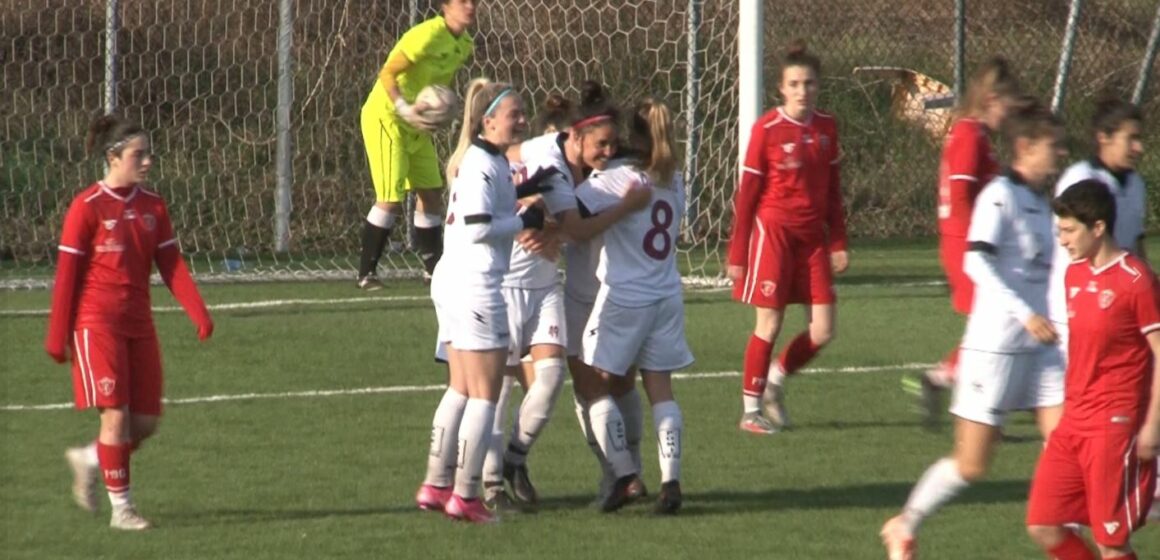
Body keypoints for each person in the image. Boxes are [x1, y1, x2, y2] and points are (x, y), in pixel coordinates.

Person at [880, 99, 1068, 559]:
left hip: (1044, 353)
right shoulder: (998, 196)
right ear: (1024, 147)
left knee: (1069, 446)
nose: (1060, 156)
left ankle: (1065, 530)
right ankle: (903, 524)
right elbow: (976, 261)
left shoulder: (1042, 203)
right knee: (972, 465)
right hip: (995, 350)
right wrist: (1024, 313)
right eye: (1053, 147)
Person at [49, 114, 214, 530]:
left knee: (145, 422)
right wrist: (58, 335)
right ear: (113, 157)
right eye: (138, 155)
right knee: (116, 417)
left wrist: (198, 312)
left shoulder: (152, 206)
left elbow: (171, 264)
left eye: (148, 154)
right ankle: (123, 510)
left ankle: (89, 458)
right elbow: (68, 275)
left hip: (139, 323)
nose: (147, 162)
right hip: (95, 322)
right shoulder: (86, 207)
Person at [415, 79, 552, 524]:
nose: (523, 119)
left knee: (459, 388)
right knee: (484, 396)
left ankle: (436, 484)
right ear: (487, 120)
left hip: (455, 281)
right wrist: (523, 220)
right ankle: (467, 495)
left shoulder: (487, 161)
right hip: (474, 285)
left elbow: (485, 211)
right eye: (515, 113)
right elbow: (477, 226)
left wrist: (523, 198)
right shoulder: (481, 165)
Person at [1025, 180, 1160, 560]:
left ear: (1098, 228)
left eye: (1069, 231)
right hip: (1074, 420)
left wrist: (1152, 424)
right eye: (1059, 231)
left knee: (1111, 542)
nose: (1063, 240)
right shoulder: (1075, 274)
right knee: (1043, 522)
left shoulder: (1137, 282)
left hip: (1114, 424)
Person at [576, 97, 692, 514]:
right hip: (666, 295)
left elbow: (570, 211)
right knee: (661, 389)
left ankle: (624, 473)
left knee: (589, 382)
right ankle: (671, 482)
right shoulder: (674, 176)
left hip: (625, 297)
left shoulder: (616, 178)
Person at [726, 40, 848, 434]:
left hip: (813, 239)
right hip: (774, 234)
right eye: (794, 83)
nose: (802, 91)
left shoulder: (827, 127)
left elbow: (832, 190)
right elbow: (747, 196)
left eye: (809, 83)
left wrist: (838, 242)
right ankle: (750, 411)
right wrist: (738, 251)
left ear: (818, 86)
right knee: (770, 323)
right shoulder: (767, 129)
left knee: (823, 330)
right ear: (781, 88)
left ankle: (776, 380)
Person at [906, 57, 1021, 425]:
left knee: (992, 325)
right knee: (994, 326)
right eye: (1007, 104)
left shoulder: (973, 133)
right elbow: (958, 196)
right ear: (990, 99)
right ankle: (970, 405)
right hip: (965, 245)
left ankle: (948, 386)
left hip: (966, 242)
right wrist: (980, 242)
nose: (1009, 113)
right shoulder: (970, 134)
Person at [357, 0, 476, 290]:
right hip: (388, 116)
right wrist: (402, 106)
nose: (470, 6)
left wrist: (438, 111)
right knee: (390, 197)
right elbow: (387, 73)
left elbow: (434, 89)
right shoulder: (426, 35)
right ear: (445, 7)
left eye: (473, 2)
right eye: (463, 2)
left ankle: (434, 272)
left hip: (416, 124)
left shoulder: (465, 45)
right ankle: (366, 274)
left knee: (431, 192)